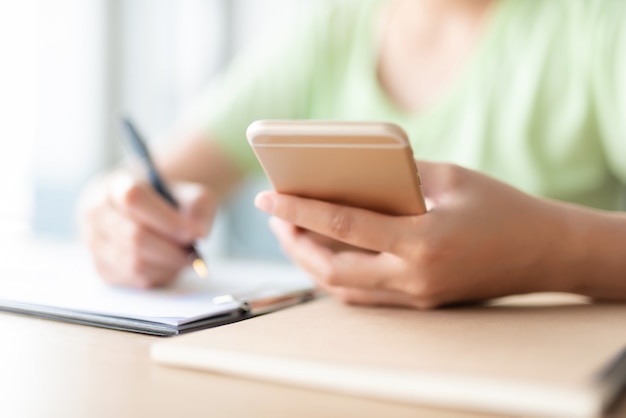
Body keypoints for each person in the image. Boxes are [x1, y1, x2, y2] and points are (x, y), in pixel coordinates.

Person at [79, 0, 626, 309]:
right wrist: (113, 214)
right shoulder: (332, 26)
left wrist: (556, 251)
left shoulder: (595, 22)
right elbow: (149, 181)